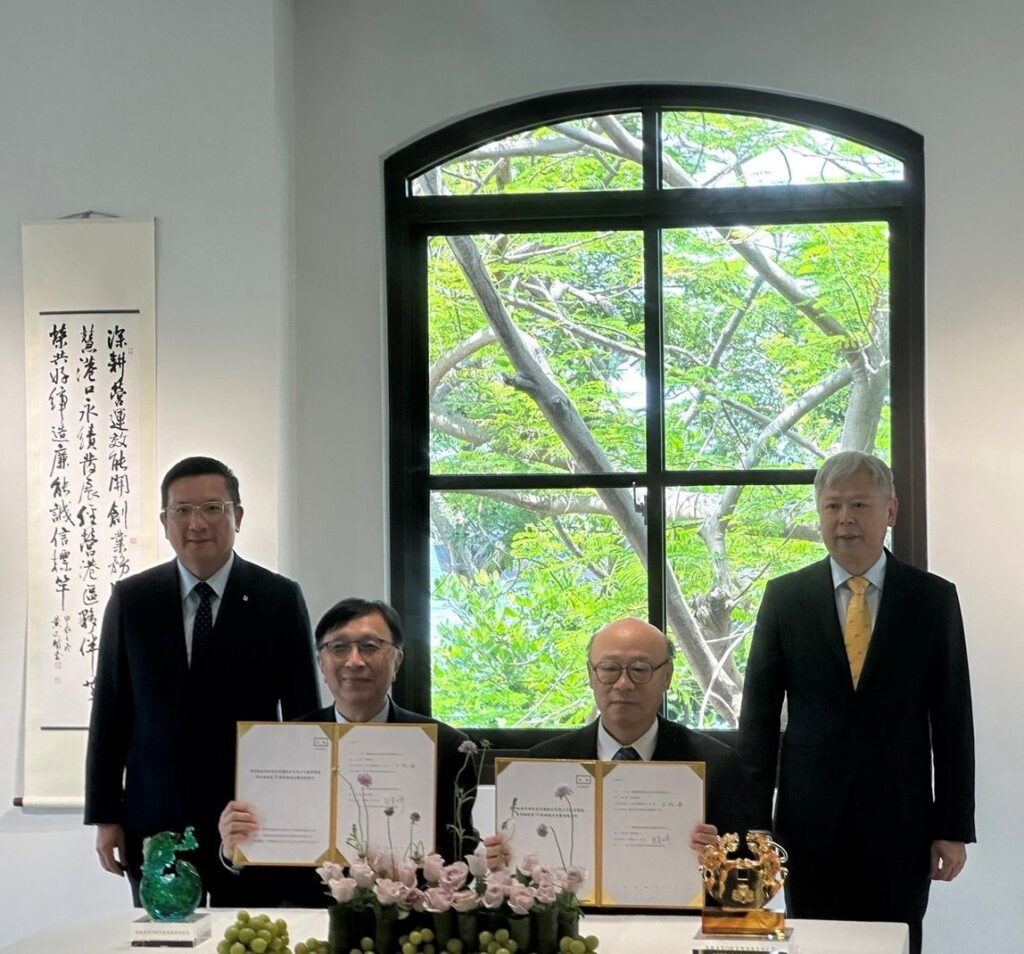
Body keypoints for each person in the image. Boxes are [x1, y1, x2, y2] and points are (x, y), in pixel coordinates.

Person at [737, 451, 975, 954]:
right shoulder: (785, 597)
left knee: (896, 942)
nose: (845, 519)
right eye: (832, 506)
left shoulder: (932, 599)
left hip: (902, 821)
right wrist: (754, 827)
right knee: (815, 943)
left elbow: (953, 719)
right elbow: (758, 717)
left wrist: (953, 827)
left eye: (860, 505)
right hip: (809, 822)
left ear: (891, 511)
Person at [84, 456, 320, 905]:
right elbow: (110, 710)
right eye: (182, 510)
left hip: (250, 816)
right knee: (163, 935)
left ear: (238, 516)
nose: (197, 523)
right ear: (165, 521)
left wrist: (302, 814)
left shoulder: (278, 598)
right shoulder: (133, 599)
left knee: (250, 932)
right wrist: (105, 815)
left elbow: (303, 714)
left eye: (213, 508)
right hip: (155, 817)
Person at [219, 598, 479, 906]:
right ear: (321, 662)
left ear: (397, 661)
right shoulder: (280, 745)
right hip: (305, 917)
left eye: (370, 647)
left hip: (407, 920)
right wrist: (233, 851)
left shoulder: (446, 747)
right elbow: (261, 876)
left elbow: (458, 855)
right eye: (338, 648)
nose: (354, 661)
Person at [528, 616, 749, 844]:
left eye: (640, 669)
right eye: (609, 668)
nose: (623, 684)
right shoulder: (543, 763)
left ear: (667, 676)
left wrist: (717, 856)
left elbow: (743, 859)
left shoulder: (715, 766)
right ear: (591, 675)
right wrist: (510, 855)